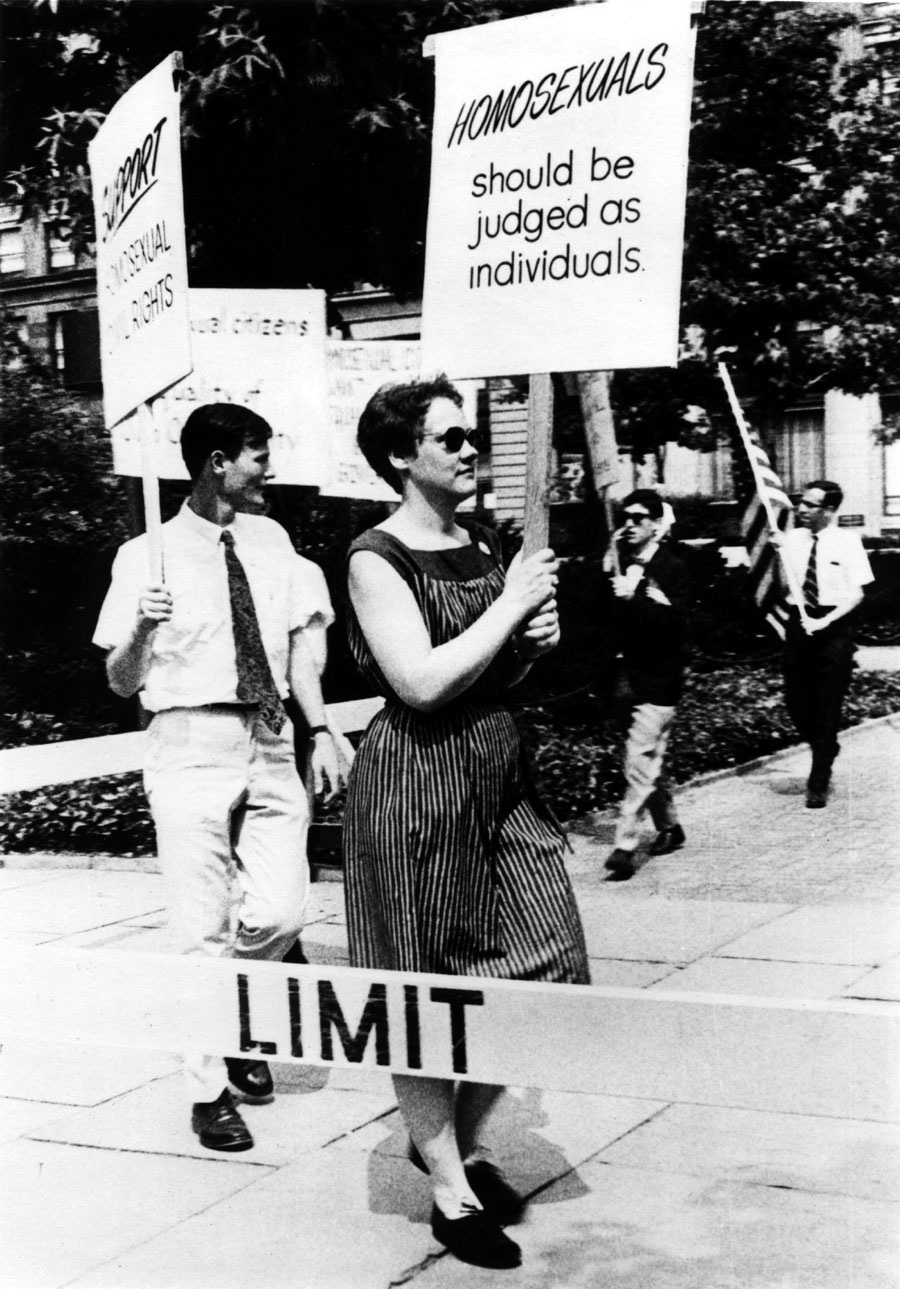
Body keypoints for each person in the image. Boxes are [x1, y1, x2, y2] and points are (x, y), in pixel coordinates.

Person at [343, 376, 589, 1271]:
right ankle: (451, 1182)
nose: (470, 446)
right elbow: (419, 683)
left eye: (470, 433)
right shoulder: (375, 556)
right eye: (449, 437)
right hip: (417, 785)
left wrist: (531, 646)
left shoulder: (483, 542)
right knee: (420, 987)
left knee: (550, 967)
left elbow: (492, 674)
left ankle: (445, 1139)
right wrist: (512, 606)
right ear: (400, 454)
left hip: (497, 776)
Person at [93, 403, 342, 1152]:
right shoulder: (145, 556)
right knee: (200, 927)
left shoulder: (272, 542)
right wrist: (142, 624)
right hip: (188, 739)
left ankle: (230, 1011)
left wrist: (319, 729)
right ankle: (207, 1094)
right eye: (259, 455)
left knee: (281, 915)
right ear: (218, 462)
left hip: (269, 736)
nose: (269, 469)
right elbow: (119, 680)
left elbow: (299, 648)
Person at [603, 489, 690, 881]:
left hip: (658, 681)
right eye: (625, 517)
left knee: (638, 760)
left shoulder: (674, 568)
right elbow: (596, 613)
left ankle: (624, 846)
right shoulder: (617, 563)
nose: (629, 524)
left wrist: (635, 598)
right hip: (623, 681)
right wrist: (606, 569)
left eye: (638, 518)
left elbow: (677, 628)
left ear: (656, 524)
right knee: (648, 762)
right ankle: (670, 826)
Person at [775, 479, 874, 808]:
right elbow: (785, 586)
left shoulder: (848, 542)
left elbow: (857, 594)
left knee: (828, 703)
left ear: (829, 510)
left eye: (810, 504)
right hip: (799, 623)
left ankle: (819, 778)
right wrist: (777, 554)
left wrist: (825, 621)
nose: (801, 508)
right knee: (796, 701)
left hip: (833, 627)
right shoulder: (792, 539)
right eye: (801, 502)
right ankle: (825, 746)